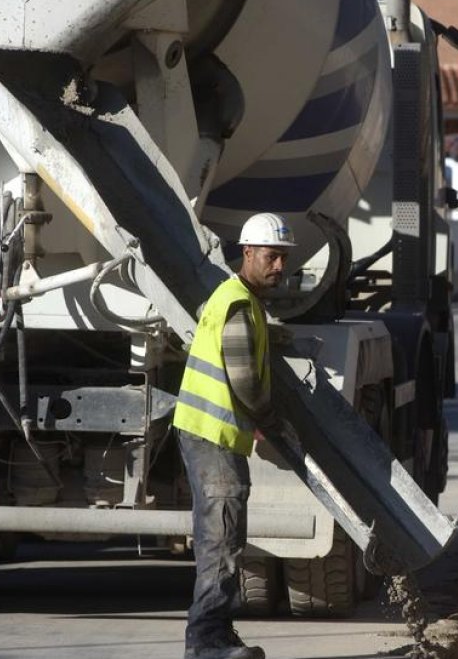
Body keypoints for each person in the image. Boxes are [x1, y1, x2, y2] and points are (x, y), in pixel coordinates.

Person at [172, 212, 295, 659]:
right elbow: (243, 378)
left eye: (283, 257)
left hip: (208, 434)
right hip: (215, 436)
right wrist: (269, 418)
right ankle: (206, 642)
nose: (279, 266)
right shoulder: (239, 305)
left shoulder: (231, 297)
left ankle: (218, 637)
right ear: (247, 253)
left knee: (220, 538)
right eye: (271, 256)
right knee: (221, 540)